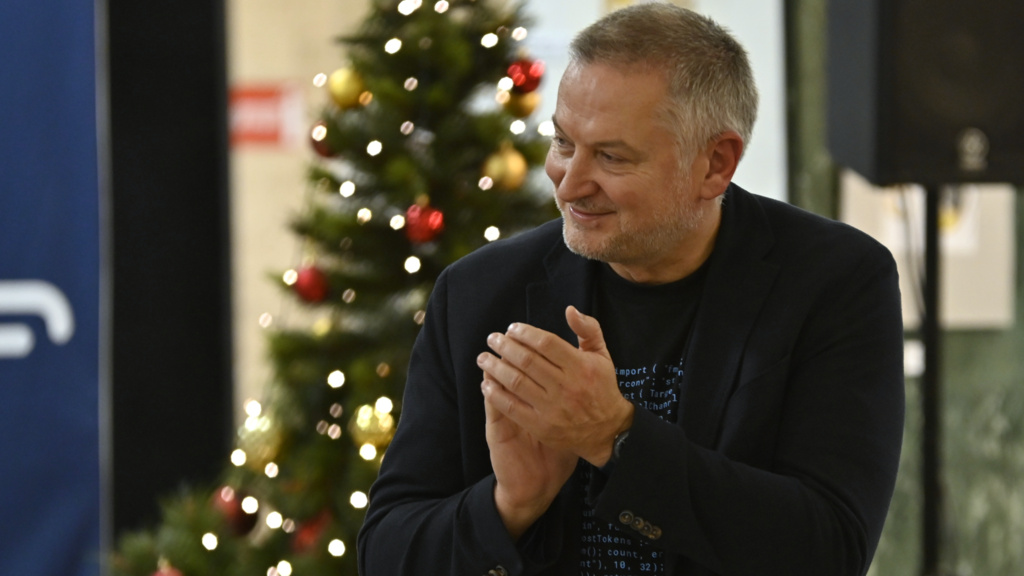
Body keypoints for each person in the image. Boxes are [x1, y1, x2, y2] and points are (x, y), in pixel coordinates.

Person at [358, 3, 905, 575]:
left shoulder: (835, 282)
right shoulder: (477, 293)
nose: (569, 184)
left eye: (611, 156)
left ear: (715, 164)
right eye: (563, 142)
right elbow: (386, 554)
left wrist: (614, 436)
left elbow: (830, 549)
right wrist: (509, 505)